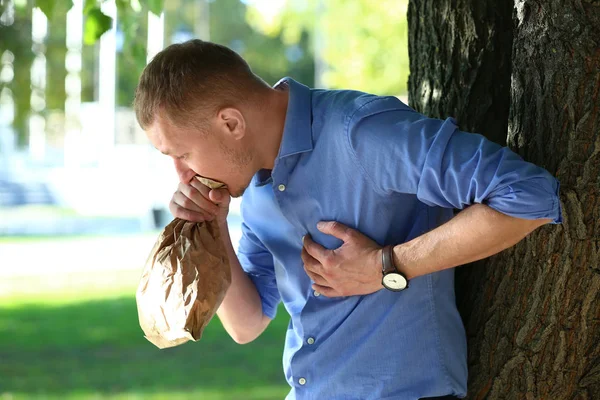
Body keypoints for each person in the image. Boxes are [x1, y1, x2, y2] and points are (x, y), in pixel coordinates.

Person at [133, 39, 563, 400]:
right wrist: (214, 227)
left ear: (230, 122)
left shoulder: (362, 132)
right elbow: (247, 324)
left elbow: (528, 195)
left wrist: (386, 267)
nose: (182, 175)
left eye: (182, 155)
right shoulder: (254, 186)